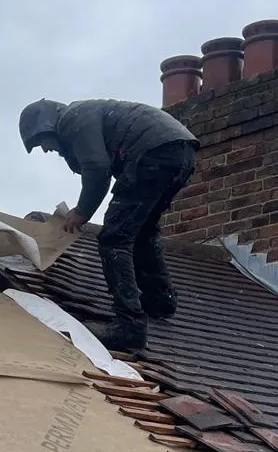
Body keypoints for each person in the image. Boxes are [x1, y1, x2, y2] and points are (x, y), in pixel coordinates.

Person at [18, 97, 198, 352]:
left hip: (152, 153)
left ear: (48, 125)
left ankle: (129, 326)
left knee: (114, 239)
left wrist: (82, 211)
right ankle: (160, 300)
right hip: (180, 154)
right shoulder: (88, 114)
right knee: (142, 231)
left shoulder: (72, 119)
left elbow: (97, 168)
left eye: (41, 142)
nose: (47, 150)